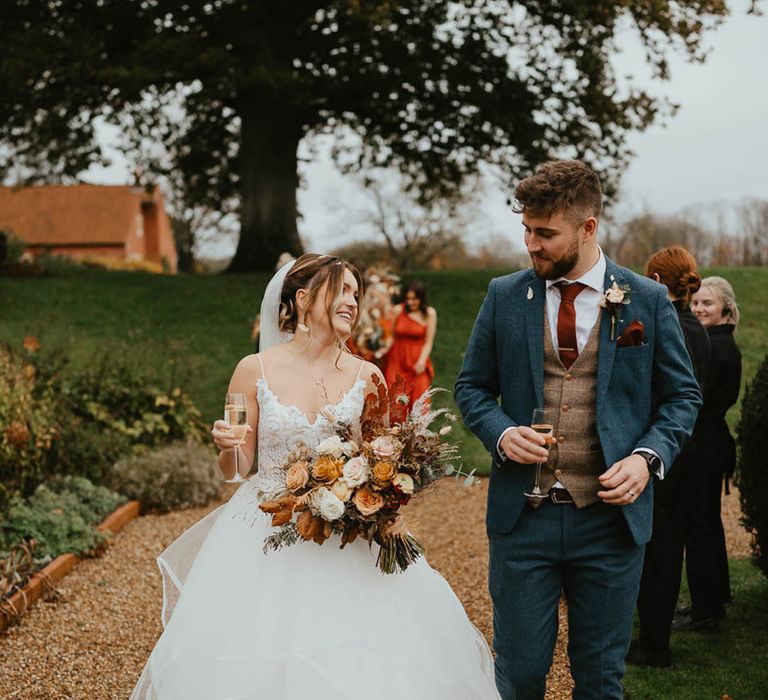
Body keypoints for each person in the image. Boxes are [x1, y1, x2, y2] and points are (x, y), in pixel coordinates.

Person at [130, 253, 499, 700]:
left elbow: (385, 464)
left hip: (349, 538)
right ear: (303, 299)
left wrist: (384, 498)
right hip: (264, 532)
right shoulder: (253, 369)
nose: (352, 302)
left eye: (356, 295)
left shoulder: (369, 376)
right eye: (341, 290)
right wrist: (227, 446)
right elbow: (236, 471)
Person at [454, 160, 702, 700]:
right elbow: (471, 387)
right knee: (519, 676)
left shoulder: (647, 301)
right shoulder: (503, 296)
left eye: (545, 233)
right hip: (523, 524)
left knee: (599, 679)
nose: (531, 245)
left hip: (610, 526)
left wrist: (645, 458)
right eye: (526, 230)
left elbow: (682, 397)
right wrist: (500, 433)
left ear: (588, 228)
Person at [627, 246, 710, 667]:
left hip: (660, 449)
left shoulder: (665, 327)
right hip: (686, 448)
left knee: (653, 543)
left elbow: (672, 394)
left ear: (657, 283)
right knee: (669, 541)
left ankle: (653, 643)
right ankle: (654, 635)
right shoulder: (698, 328)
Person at [675, 276, 742, 631]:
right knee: (706, 524)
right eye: (697, 303)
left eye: (708, 304)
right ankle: (711, 602)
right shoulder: (719, 341)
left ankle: (706, 612)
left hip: (704, 442)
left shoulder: (715, 347)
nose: (699, 309)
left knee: (698, 526)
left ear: (725, 310)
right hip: (712, 440)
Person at [383, 280, 437, 407]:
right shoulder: (397, 310)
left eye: (414, 299)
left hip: (417, 361)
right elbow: (390, 337)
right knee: (394, 400)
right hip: (396, 360)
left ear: (421, 298)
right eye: (407, 299)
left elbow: (428, 343)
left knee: (419, 401)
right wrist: (381, 349)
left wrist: (422, 361)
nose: (410, 302)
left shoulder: (430, 313)